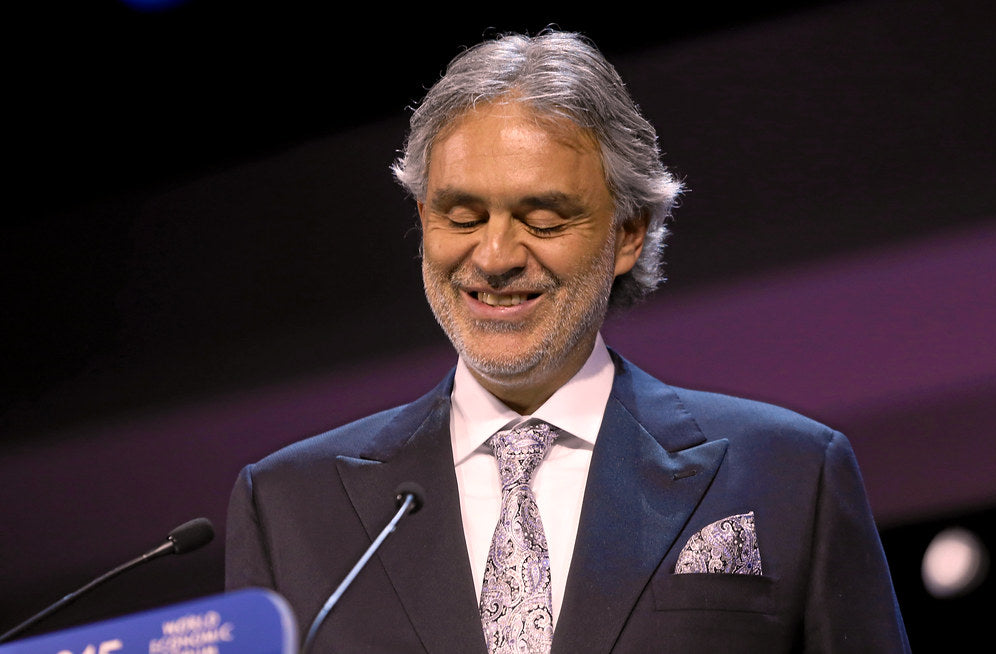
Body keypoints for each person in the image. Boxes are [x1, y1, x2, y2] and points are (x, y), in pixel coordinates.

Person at [226, 30, 910, 653]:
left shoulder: (789, 472)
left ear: (629, 232)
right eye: (461, 215)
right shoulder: (287, 505)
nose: (493, 256)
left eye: (543, 219)